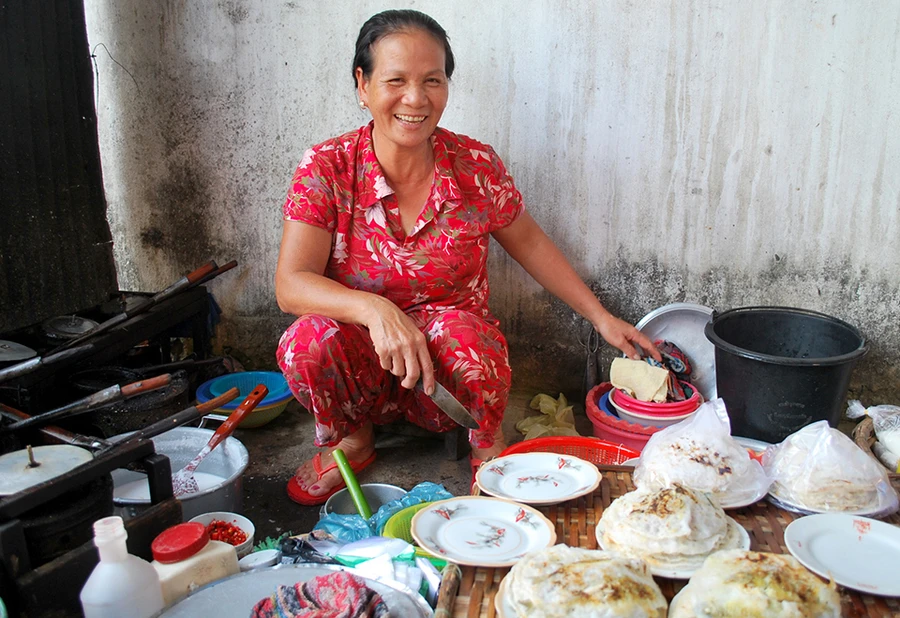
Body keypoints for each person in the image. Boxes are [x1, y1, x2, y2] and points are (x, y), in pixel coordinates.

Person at [275, 9, 659, 505]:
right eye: (396, 80)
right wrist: (375, 310)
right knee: (308, 341)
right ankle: (352, 438)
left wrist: (600, 317)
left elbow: (531, 244)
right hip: (363, 361)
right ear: (363, 84)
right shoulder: (327, 167)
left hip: (448, 376)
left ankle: (486, 445)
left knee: (465, 337)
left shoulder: (474, 166)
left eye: (432, 80)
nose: (416, 99)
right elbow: (292, 284)